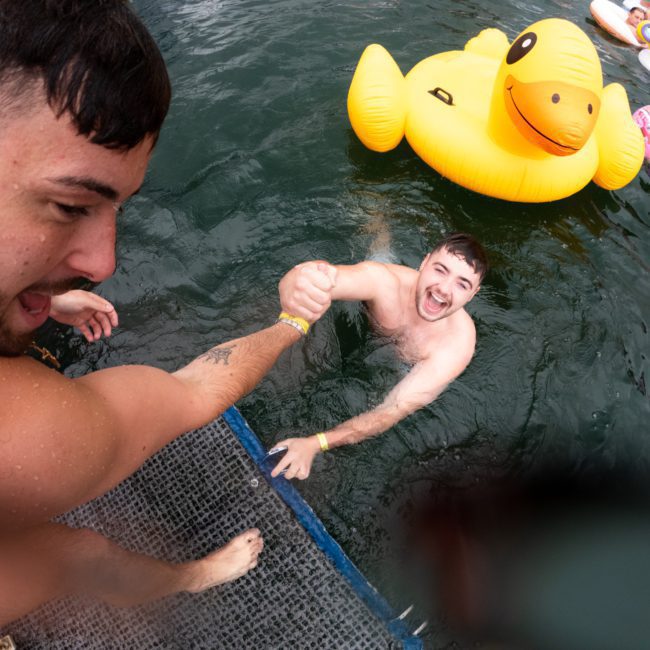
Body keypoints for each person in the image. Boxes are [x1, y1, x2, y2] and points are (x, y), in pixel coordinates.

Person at [0, 0, 315, 625]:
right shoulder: (26, 437)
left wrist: (33, 295)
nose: (104, 263)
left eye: (118, 207)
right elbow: (192, 391)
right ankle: (197, 575)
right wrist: (293, 324)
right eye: (70, 206)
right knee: (78, 555)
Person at [270, 233, 488, 480]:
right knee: (379, 252)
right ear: (424, 263)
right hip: (367, 313)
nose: (444, 289)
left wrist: (315, 443)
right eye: (440, 270)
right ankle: (378, 224)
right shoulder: (384, 282)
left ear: (473, 295)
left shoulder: (456, 345)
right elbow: (325, 279)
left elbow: (390, 411)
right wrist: (300, 281)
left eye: (462, 284)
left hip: (402, 363)